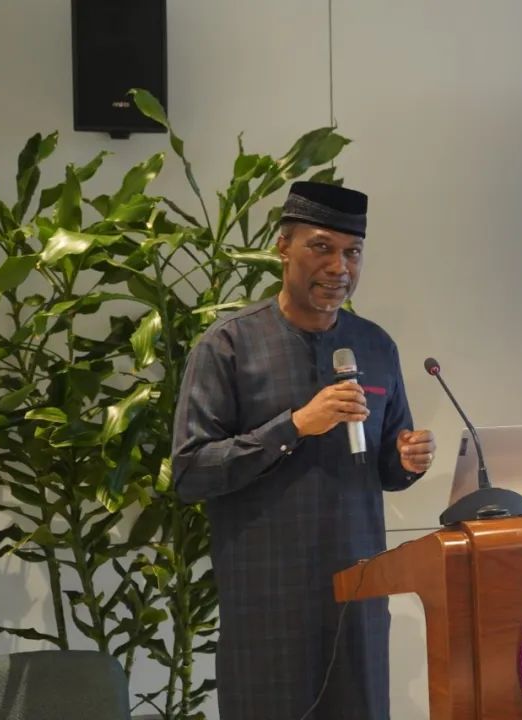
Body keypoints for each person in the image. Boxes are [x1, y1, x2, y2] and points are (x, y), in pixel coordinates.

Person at [171, 180, 436, 720]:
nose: (339, 267)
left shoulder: (375, 345)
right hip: (268, 602)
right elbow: (191, 472)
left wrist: (407, 459)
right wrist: (294, 426)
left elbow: (385, 464)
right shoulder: (228, 345)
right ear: (283, 247)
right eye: (321, 247)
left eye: (353, 253)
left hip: (358, 595)